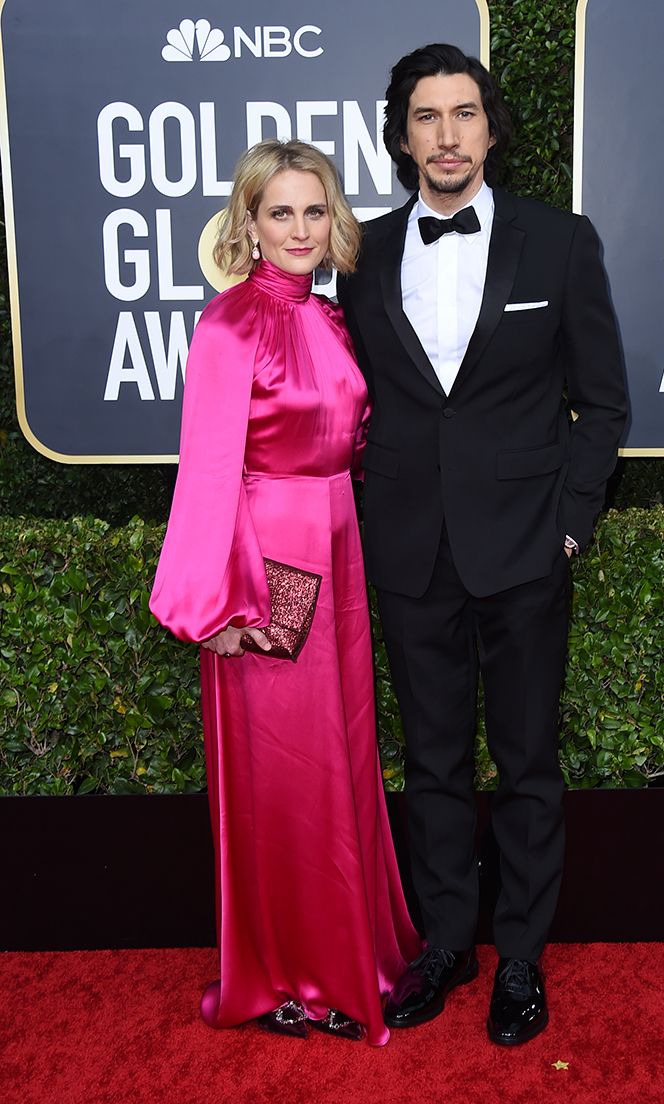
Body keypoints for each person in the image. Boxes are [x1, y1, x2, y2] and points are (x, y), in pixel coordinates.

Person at [338, 44, 627, 1046]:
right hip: (410, 547)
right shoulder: (361, 254)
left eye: (464, 113)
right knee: (431, 763)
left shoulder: (559, 242)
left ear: (491, 128)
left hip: (524, 548)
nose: (448, 134)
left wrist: (570, 523)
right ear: (402, 136)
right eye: (426, 116)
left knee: (526, 761)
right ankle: (446, 945)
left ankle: (521, 960)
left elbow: (601, 401)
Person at [150, 138, 421, 1047]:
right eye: (281, 213)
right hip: (267, 565)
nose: (300, 229)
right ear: (250, 222)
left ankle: (348, 957)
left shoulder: (332, 319)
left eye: (315, 210)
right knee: (284, 773)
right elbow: (207, 472)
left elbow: (356, 437)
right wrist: (218, 606)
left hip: (336, 547)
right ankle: (286, 977)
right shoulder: (229, 325)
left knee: (340, 755)